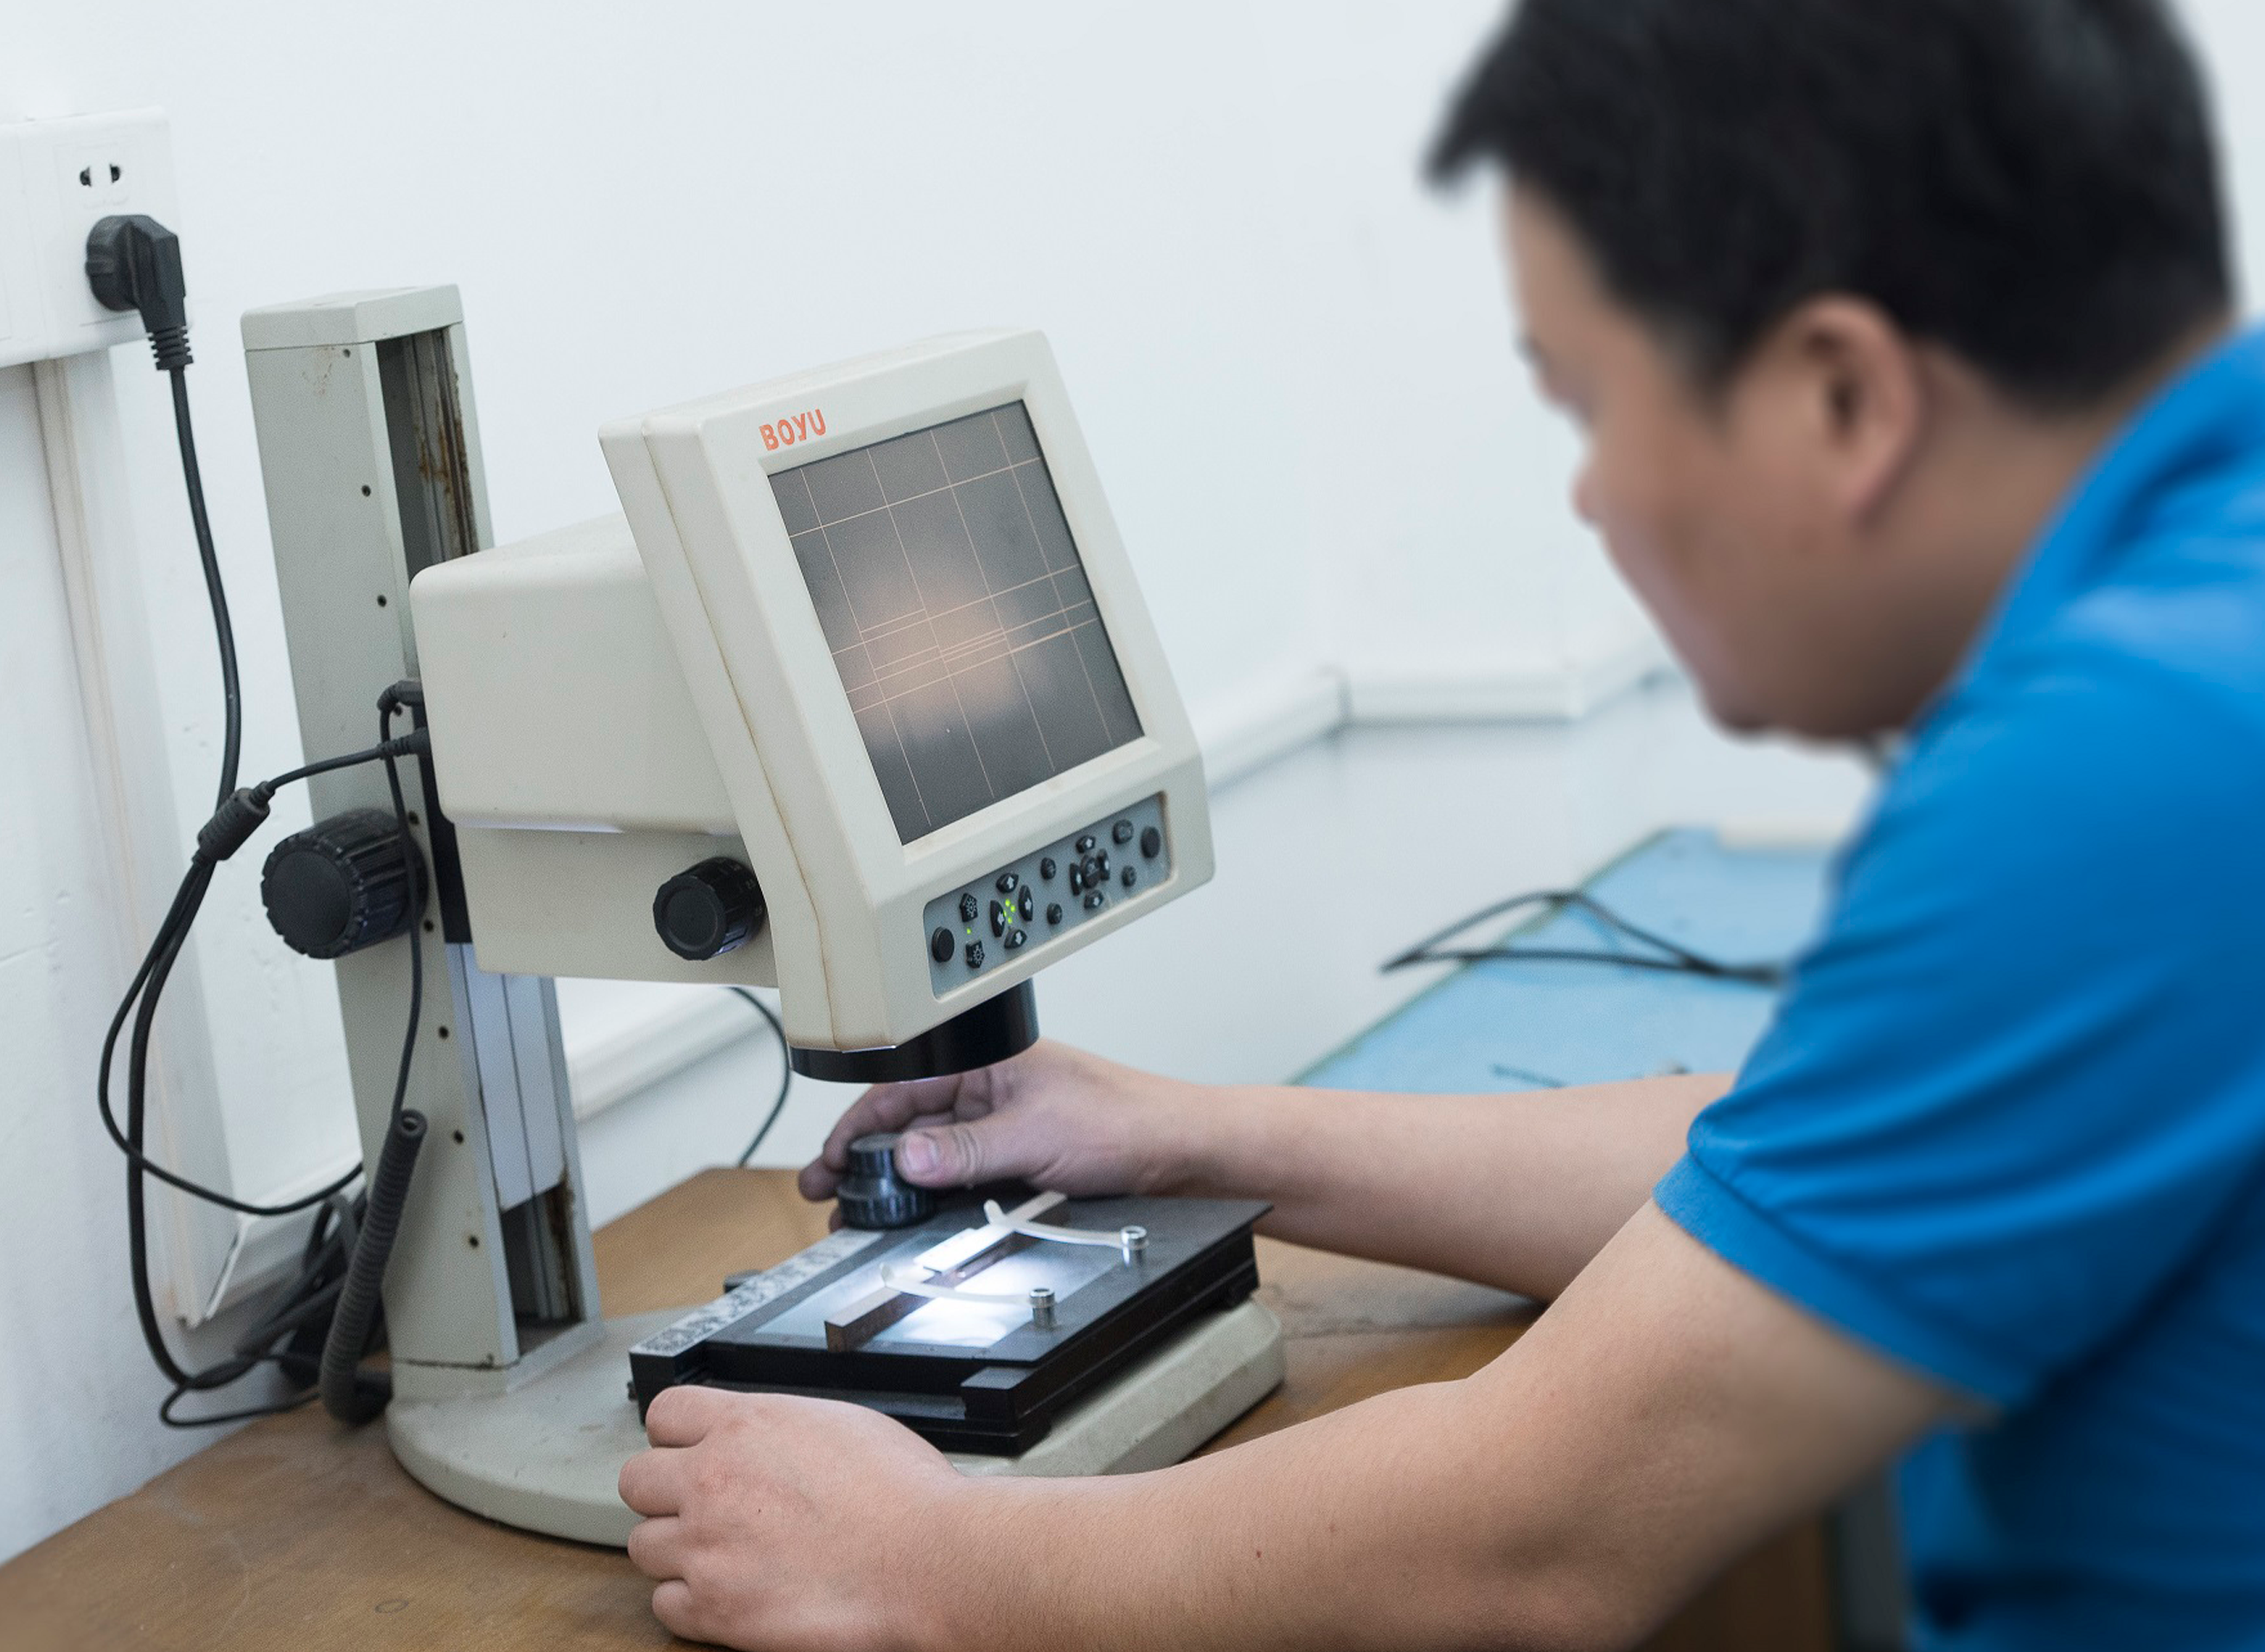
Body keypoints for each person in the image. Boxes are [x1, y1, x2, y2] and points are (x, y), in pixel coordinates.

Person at [618, 2, 2265, 1646]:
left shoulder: (2120, 773)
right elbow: (1786, 1154)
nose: (1593, 499)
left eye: (1590, 406)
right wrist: (1201, 1135)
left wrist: (921, 1562)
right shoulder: (2209, 627)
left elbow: (1533, 1540)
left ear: (1841, 397)